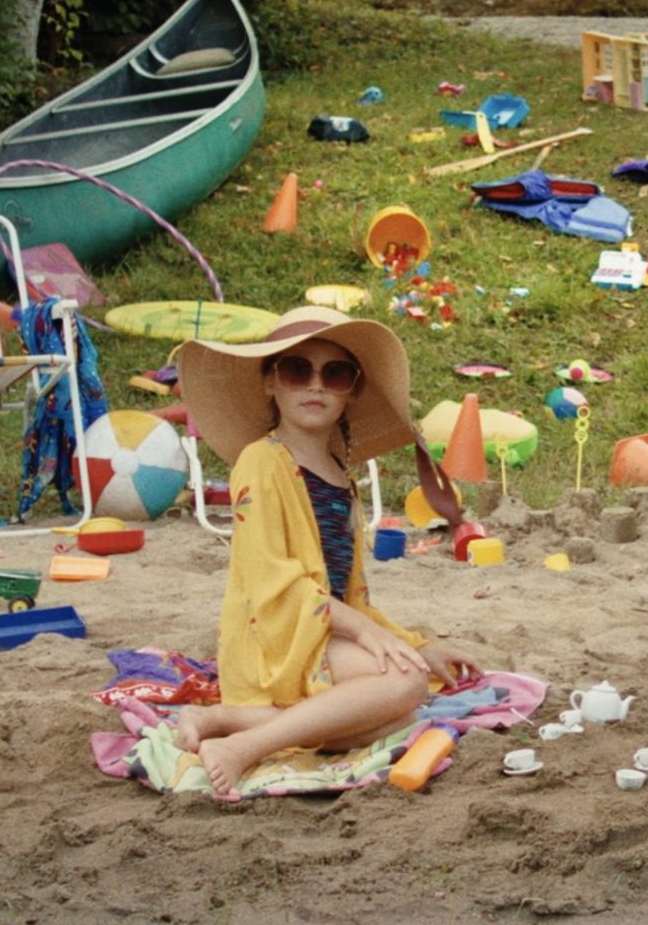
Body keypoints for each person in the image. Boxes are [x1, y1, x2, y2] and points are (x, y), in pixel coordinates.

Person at [170, 306, 481, 796]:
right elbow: (275, 580)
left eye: (334, 374)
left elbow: (351, 597)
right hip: (274, 639)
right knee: (405, 687)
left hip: (320, 634)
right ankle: (243, 747)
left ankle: (230, 720)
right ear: (271, 382)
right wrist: (368, 636)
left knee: (395, 711)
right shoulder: (261, 461)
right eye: (298, 370)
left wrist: (418, 644)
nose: (315, 385)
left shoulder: (342, 477)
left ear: (352, 390)